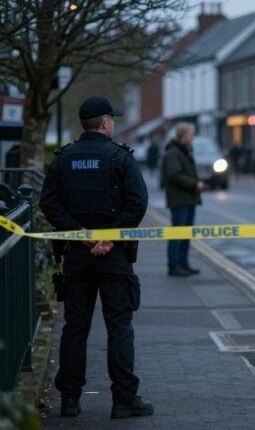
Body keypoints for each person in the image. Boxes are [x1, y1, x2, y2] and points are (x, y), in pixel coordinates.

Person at [39, 96, 153, 419]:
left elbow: (49, 203)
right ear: (105, 122)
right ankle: (123, 400)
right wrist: (110, 237)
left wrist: (82, 234)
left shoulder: (63, 159)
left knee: (75, 328)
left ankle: (70, 400)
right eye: (112, 119)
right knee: (119, 327)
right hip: (115, 257)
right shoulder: (121, 157)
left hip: (76, 254)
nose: (114, 123)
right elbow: (137, 202)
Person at [162, 123, 204, 277]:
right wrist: (194, 184)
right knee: (178, 234)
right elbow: (174, 175)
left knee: (185, 234)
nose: (193, 137)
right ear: (183, 135)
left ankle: (183, 264)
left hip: (188, 199)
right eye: (191, 134)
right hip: (179, 200)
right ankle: (174, 265)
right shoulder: (174, 153)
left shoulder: (185, 151)